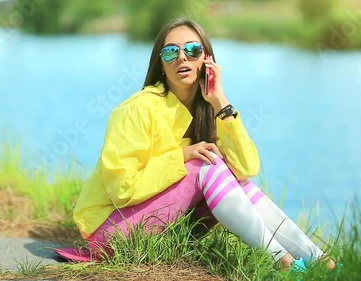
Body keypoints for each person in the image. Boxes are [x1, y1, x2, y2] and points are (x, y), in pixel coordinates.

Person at [56, 18, 336, 271]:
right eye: (170, 52)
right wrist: (182, 156)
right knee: (206, 162)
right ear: (161, 64)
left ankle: (320, 261)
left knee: (230, 175)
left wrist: (220, 101)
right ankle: (282, 262)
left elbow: (245, 169)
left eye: (192, 50)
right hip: (109, 232)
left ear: (206, 59)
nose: (182, 57)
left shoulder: (209, 109)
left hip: (161, 225)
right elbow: (121, 190)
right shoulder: (136, 109)